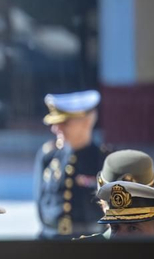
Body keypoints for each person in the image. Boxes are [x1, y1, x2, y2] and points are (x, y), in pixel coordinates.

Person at [35, 90, 109, 239]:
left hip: (90, 243)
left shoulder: (105, 160)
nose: (56, 128)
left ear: (87, 122)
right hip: (51, 240)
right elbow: (40, 202)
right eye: (55, 122)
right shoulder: (48, 156)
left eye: (64, 122)